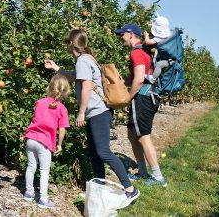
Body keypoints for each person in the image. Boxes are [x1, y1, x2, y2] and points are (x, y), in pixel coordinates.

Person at [44, 29, 139, 203]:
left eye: (67, 42)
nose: (66, 45)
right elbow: (74, 77)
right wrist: (56, 67)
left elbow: (86, 86)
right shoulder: (87, 59)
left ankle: (130, 188)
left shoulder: (82, 60)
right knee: (94, 153)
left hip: (98, 111)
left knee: (103, 152)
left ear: (72, 43)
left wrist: (81, 112)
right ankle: (99, 189)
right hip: (96, 112)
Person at [114, 23, 167, 187]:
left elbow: (138, 81)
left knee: (143, 136)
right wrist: (120, 80)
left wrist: (126, 99)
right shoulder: (143, 51)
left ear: (130, 34)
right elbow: (138, 77)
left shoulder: (137, 53)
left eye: (122, 34)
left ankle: (158, 177)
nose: (120, 37)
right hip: (147, 95)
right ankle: (143, 171)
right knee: (131, 133)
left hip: (142, 97)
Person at [23, 74, 71, 209]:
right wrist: (59, 144)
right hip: (44, 142)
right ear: (65, 91)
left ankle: (28, 193)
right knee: (44, 170)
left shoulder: (39, 102)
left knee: (31, 166)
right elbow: (62, 129)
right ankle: (43, 200)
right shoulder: (62, 108)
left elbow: (36, 119)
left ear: (50, 87)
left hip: (31, 138)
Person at [143, 14, 173, 84]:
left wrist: (146, 36)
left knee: (159, 65)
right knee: (159, 65)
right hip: (170, 59)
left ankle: (153, 78)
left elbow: (148, 42)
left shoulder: (159, 37)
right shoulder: (167, 36)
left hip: (168, 61)